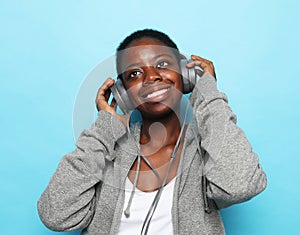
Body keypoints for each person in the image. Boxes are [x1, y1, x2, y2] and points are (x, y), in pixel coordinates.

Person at [37, 29, 267, 235]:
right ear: (123, 94)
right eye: (135, 74)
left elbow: (239, 187)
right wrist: (105, 127)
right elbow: (56, 215)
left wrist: (208, 94)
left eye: (163, 64)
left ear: (185, 76)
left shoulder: (205, 147)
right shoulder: (108, 150)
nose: (151, 78)